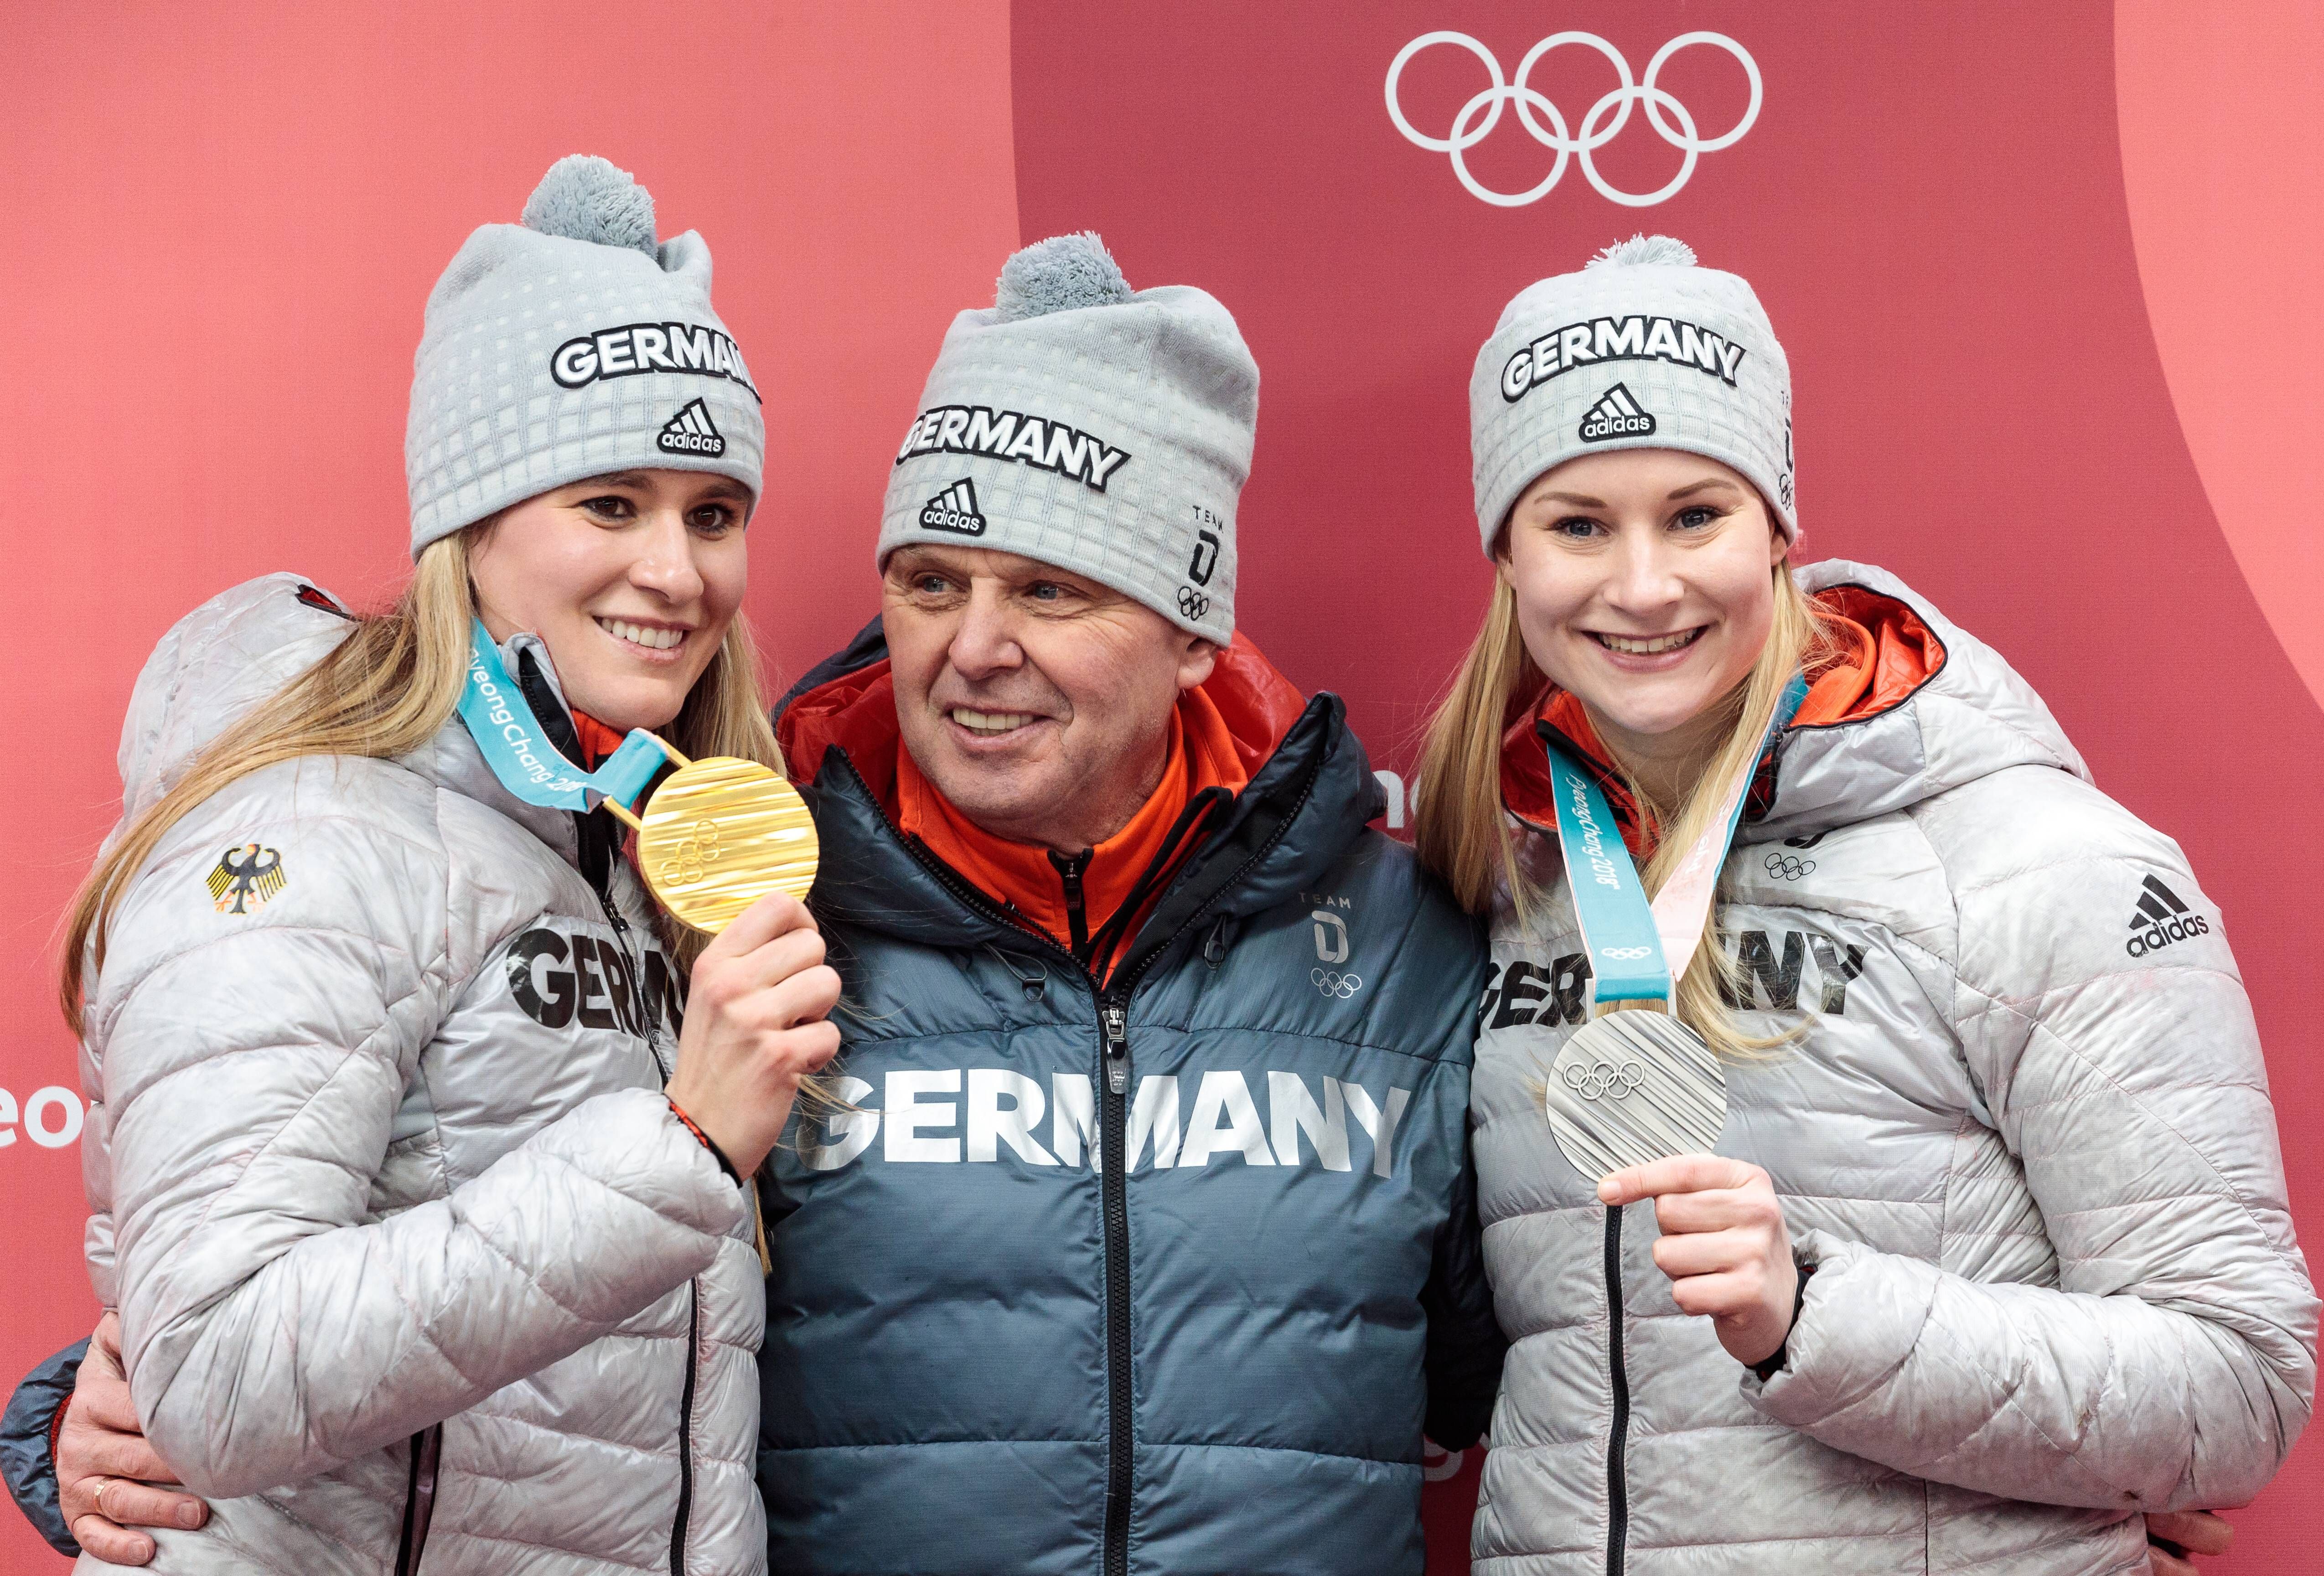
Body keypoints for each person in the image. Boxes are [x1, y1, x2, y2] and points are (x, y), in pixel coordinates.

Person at [10, 233, 1506, 1574]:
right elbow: (302, 1290)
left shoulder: (1397, 937)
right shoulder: (749, 894)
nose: (975, 648)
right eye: (930, 580)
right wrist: (87, 1416)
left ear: (1191, 632)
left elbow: (1530, 1353)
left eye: (1052, 588)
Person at [1414, 235, 2317, 1573]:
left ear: (1779, 528)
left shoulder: (2032, 860)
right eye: (1578, 524)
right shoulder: (1513, 866)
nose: (1644, 584)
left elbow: (2240, 1382)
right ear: (1508, 555)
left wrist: (1817, 1315)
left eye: (1696, 514)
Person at [0, 157, 840, 1572]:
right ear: (475, 517)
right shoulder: (309, 823)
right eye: (610, 502)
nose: (678, 571)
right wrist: (681, 1148)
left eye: (712, 513)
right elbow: (215, 1372)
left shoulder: (637, 844)